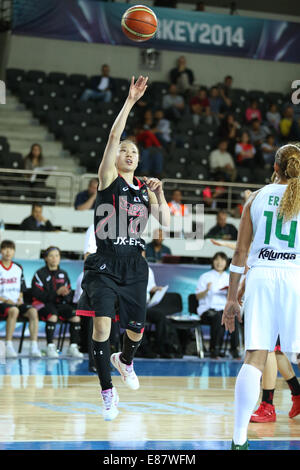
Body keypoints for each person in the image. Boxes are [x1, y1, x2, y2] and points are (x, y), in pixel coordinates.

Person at [75, 75, 170, 421]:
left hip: (134, 265)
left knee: (135, 330)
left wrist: (159, 193)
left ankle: (124, 361)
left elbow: (168, 224)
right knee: (102, 329)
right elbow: (115, 136)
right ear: (115, 158)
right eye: (124, 151)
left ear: (138, 161)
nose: (128, 153)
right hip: (104, 263)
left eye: (134, 152)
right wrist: (130, 101)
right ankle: (107, 392)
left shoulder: (145, 189)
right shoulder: (107, 179)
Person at [222, 142, 300, 450]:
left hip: (261, 277)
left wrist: (231, 298)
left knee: (254, 357)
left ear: (275, 168)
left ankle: (239, 439)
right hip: (296, 277)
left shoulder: (256, 197)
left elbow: (240, 253)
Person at [31, 246, 83, 359]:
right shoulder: (39, 274)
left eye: (57, 255)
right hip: (43, 305)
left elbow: (69, 293)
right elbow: (37, 294)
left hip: (60, 305)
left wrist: (66, 294)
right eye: (51, 256)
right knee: (52, 315)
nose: (54, 258)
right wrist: (56, 293)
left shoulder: (63, 274)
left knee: (75, 316)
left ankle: (73, 347)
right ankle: (50, 346)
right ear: (46, 258)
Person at [0, 240, 41, 358]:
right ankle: (8, 345)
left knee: (33, 311)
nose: (8, 252)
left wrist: (20, 298)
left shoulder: (18, 267)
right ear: (1, 251)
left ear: (14, 252)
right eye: (5, 249)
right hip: (2, 302)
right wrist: (5, 300)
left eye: (11, 249)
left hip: (15, 303)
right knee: (14, 311)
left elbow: (22, 288)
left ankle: (33, 346)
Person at [196, 252, 240, 358]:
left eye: (222, 260)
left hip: (224, 308)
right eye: (217, 260)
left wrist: (231, 293)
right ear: (213, 262)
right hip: (208, 310)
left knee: (233, 317)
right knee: (218, 317)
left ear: (226, 263)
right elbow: (198, 296)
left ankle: (234, 349)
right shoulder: (205, 277)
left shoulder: (229, 277)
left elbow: (235, 298)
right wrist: (206, 289)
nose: (219, 263)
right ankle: (214, 349)